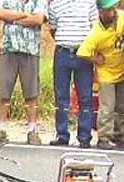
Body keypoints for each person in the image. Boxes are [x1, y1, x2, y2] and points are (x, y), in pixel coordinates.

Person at [0, 0, 47, 145]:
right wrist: (25, 16)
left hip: (30, 50)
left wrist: (12, 19)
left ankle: (32, 130)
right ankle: (0, 128)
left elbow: (38, 19)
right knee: (4, 91)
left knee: (31, 93)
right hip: (8, 48)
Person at [78, 0, 124, 150]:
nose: (113, 12)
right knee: (107, 107)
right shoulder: (96, 33)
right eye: (109, 10)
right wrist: (96, 59)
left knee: (123, 106)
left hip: (123, 71)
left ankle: (120, 136)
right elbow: (82, 52)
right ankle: (104, 137)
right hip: (106, 74)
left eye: (114, 8)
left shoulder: (122, 16)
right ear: (101, 11)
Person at [47, 0, 98, 148]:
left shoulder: (89, 3)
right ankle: (62, 135)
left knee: (85, 96)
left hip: (83, 54)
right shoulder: (55, 4)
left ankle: (84, 136)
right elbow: (53, 30)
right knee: (61, 96)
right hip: (62, 52)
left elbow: (94, 28)